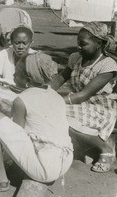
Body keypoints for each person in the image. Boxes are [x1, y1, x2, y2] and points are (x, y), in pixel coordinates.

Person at [0, 53, 73, 192]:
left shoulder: (21, 100)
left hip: (44, 169)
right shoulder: (56, 96)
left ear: (28, 80)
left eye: (16, 73)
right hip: (64, 161)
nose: (13, 76)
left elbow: (17, 136)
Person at [50, 22, 117, 173]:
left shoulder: (108, 65)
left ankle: (105, 148)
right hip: (78, 105)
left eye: (83, 44)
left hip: (100, 109)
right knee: (51, 112)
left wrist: (53, 101)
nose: (79, 47)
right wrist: (43, 92)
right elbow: (59, 79)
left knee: (59, 114)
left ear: (98, 43)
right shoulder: (76, 58)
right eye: (78, 43)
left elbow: (84, 95)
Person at [0, 25, 55, 116]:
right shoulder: (1, 56)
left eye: (24, 43)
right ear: (11, 42)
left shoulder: (37, 59)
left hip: (28, 98)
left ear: (31, 42)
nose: (20, 47)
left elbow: (43, 88)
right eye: (17, 43)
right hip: (6, 95)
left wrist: (25, 89)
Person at [0, 8, 32, 74]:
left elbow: (12, 57)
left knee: (18, 52)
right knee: (3, 55)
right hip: (5, 17)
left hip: (22, 17)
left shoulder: (9, 32)